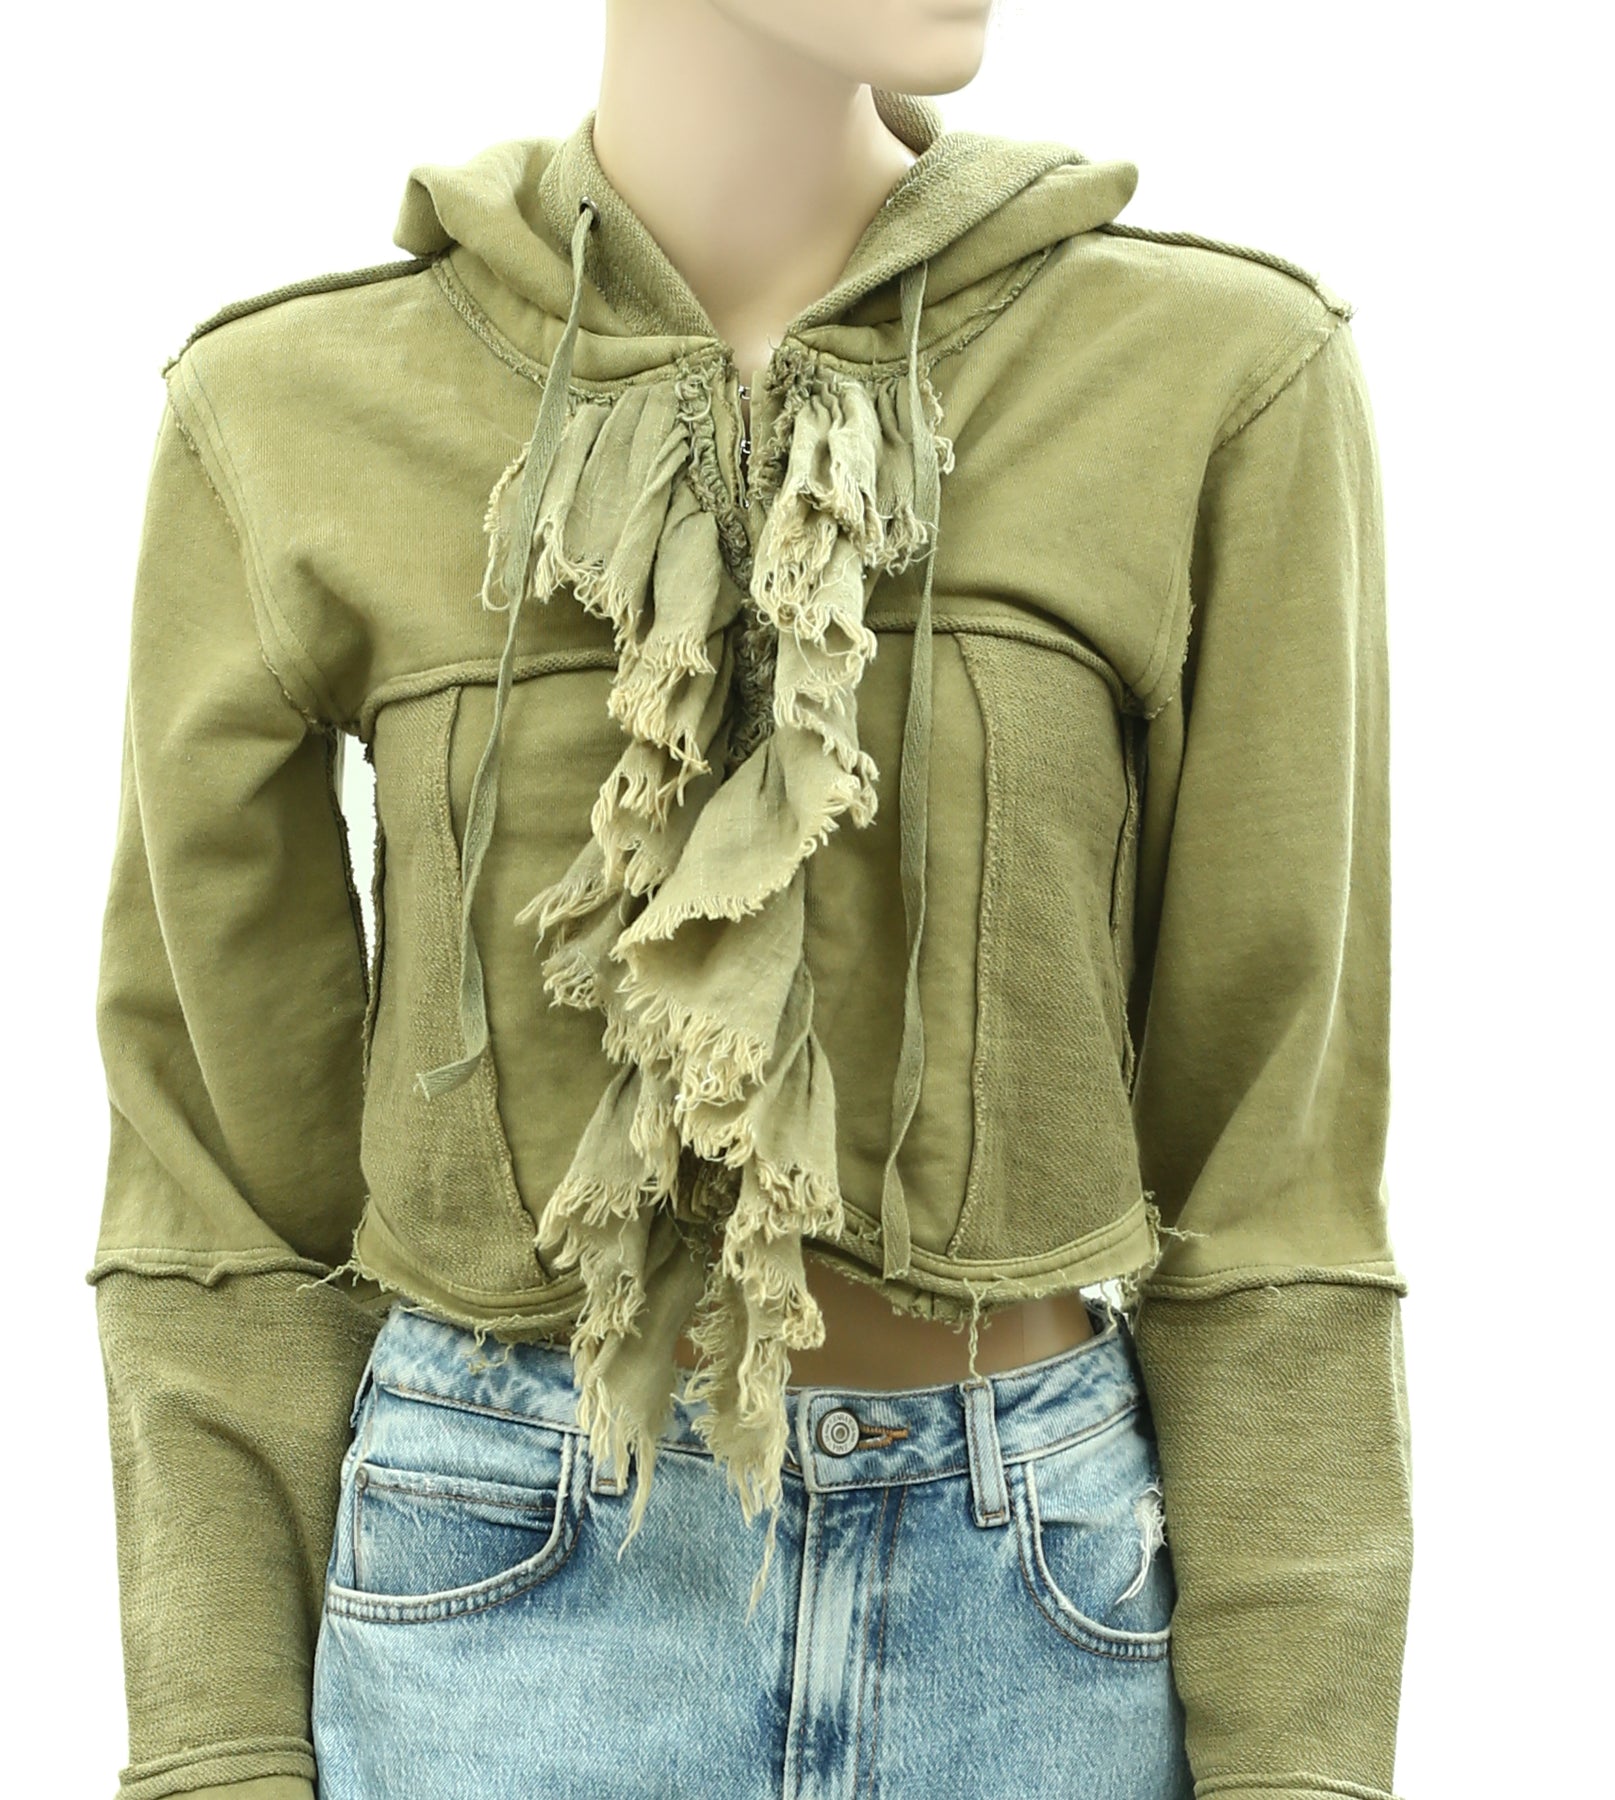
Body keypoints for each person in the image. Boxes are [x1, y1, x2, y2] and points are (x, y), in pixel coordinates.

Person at [87, 3, 1414, 1796]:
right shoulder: (287, 408)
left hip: (1042, 1619)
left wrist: (1304, 1764)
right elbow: (218, 1189)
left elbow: (1278, 1172)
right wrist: (217, 1751)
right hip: (485, 1601)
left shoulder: (1214, 377)